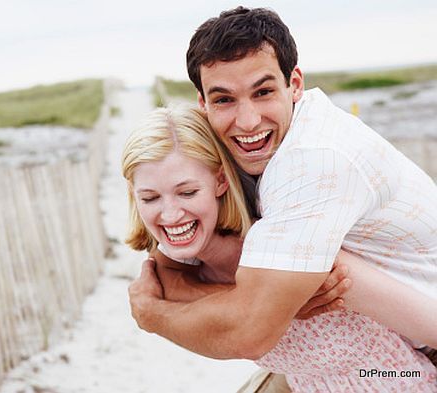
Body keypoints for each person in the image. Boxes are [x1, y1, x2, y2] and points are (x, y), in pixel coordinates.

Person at [122, 105, 437, 391]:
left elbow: (242, 336)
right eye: (150, 198)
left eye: (188, 192)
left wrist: (154, 316)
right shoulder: (172, 270)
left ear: (220, 181)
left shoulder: (292, 246)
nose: (170, 214)